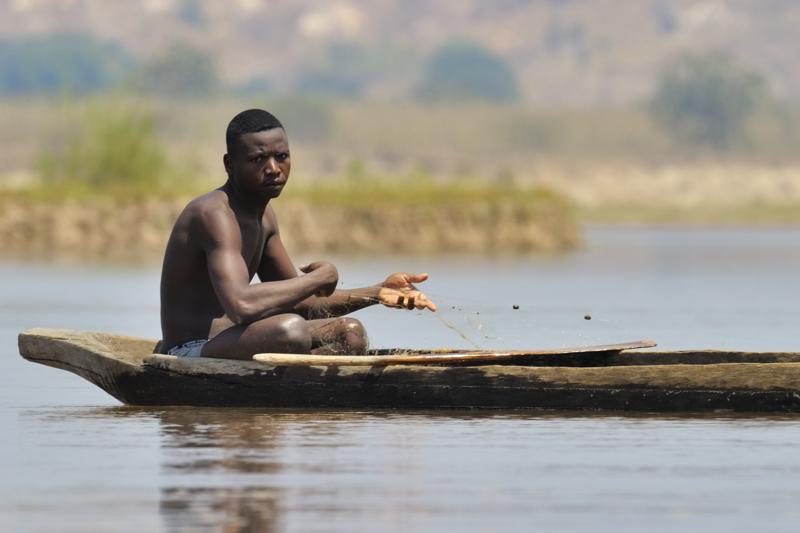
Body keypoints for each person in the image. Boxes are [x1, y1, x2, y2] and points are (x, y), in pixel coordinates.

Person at [158, 108, 436, 360]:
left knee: (350, 333)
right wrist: (320, 278)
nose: (273, 169)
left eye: (281, 157)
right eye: (258, 159)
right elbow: (241, 305)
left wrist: (378, 292)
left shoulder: (264, 217)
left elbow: (301, 303)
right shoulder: (214, 214)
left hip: (237, 342)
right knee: (290, 331)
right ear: (230, 164)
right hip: (191, 349)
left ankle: (298, 394)